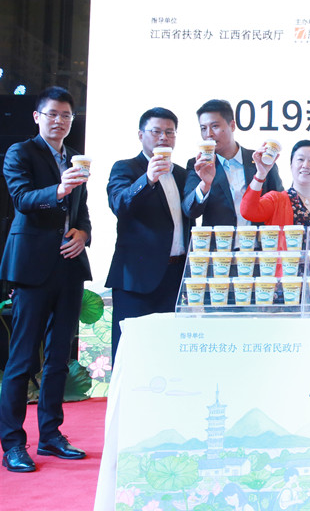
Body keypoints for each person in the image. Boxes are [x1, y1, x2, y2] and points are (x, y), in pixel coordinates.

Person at [0, 87, 91, 472]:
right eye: (52, 114)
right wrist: (59, 188)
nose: (59, 121)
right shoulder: (20, 153)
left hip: (69, 265)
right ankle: (12, 444)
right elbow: (21, 199)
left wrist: (83, 234)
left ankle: (51, 436)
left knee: (58, 359)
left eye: (66, 115)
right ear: (37, 116)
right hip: (32, 267)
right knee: (23, 358)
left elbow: (81, 212)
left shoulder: (75, 158)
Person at [105, 107, 189, 363]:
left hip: (176, 277)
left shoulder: (182, 173)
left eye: (170, 132)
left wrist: (205, 187)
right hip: (137, 279)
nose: (163, 137)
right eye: (156, 131)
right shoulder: (126, 168)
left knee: (168, 354)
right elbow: (119, 205)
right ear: (141, 135)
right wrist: (148, 179)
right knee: (132, 353)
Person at [182, 99, 283, 237]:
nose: (208, 134)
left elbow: (279, 204)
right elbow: (190, 211)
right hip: (219, 247)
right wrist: (205, 185)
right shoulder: (199, 165)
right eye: (203, 128)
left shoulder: (260, 161)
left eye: (215, 126)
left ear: (232, 125)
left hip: (259, 246)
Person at [240, 140, 310, 246]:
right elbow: (247, 211)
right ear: (291, 165)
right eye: (300, 159)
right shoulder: (276, 200)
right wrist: (260, 174)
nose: (305, 165)